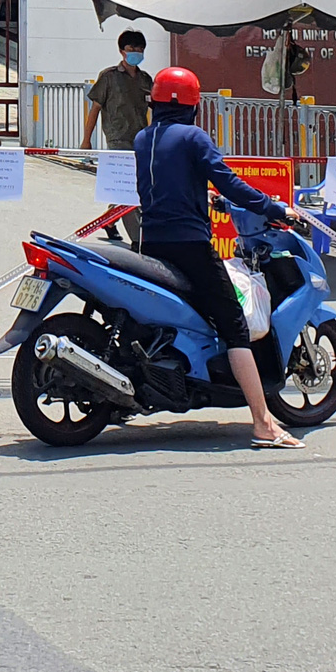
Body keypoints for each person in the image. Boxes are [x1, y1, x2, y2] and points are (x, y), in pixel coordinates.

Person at [133, 66, 305, 450]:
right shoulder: (193, 137)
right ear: (192, 105)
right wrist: (272, 207)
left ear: (156, 102)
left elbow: (167, 184)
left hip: (152, 242)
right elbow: (227, 179)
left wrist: (206, 198)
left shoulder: (143, 138)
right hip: (190, 245)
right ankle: (263, 423)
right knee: (233, 327)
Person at [82, 28, 154, 247]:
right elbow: (94, 109)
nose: (136, 52)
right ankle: (138, 239)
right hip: (117, 140)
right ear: (122, 51)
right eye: (132, 48)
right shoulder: (109, 77)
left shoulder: (145, 79)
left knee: (131, 187)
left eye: (140, 49)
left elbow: (152, 109)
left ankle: (110, 221)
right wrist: (87, 140)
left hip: (140, 140)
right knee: (126, 190)